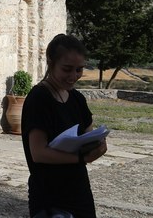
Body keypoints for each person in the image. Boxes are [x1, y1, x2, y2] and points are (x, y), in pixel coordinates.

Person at [21, 33, 107, 218]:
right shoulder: (39, 98)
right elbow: (38, 153)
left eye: (79, 69)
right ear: (51, 63)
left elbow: (87, 136)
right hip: (49, 194)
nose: (73, 76)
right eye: (67, 69)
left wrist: (98, 146)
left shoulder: (77, 98)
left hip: (78, 190)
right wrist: (81, 158)